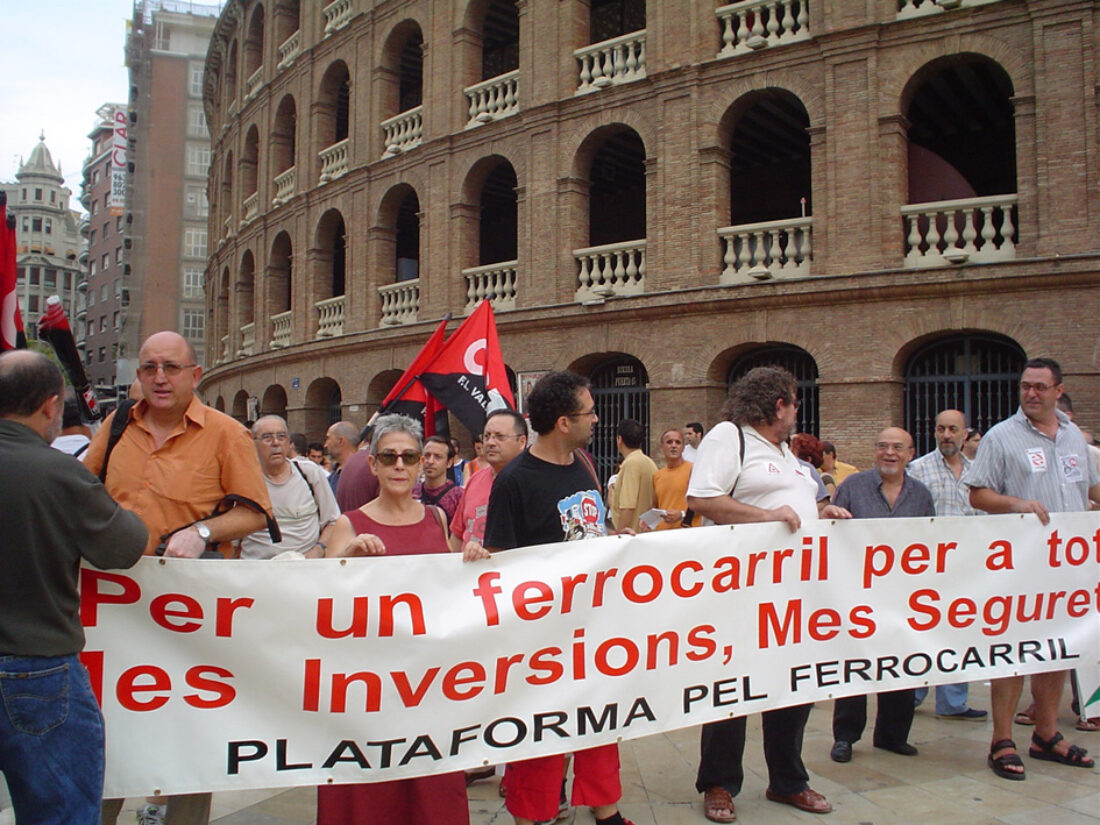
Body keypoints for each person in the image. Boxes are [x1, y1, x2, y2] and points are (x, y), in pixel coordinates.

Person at [84, 331, 273, 825]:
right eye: (149, 368)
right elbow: (81, 493)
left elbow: (256, 513)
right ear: (139, 377)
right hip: (120, 610)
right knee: (109, 731)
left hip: (192, 615)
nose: (160, 378)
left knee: (190, 733)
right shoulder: (117, 425)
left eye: (171, 367)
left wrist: (203, 530)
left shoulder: (227, 433)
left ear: (195, 375)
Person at [686, 366, 849, 822]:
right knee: (732, 684)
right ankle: (719, 781)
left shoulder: (785, 451)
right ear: (778, 405)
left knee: (793, 682)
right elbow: (702, 499)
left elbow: (795, 509)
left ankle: (788, 780)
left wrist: (823, 509)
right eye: (795, 402)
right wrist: (766, 516)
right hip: (741, 586)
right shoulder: (728, 437)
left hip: (794, 591)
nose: (797, 411)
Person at [0, 350, 147, 825]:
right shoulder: (57, 473)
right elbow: (124, 546)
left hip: (35, 669)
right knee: (58, 814)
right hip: (37, 671)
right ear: (49, 406)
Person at [481, 371, 634, 825]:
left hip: (594, 627)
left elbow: (590, 526)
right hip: (541, 637)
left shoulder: (584, 464)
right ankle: (533, 815)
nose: (597, 419)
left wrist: (614, 538)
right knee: (540, 734)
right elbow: (500, 559)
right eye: (589, 412)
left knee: (600, 725)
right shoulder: (514, 481)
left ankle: (606, 811)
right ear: (564, 422)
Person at [320, 414, 469, 825]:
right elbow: (320, 608)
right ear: (373, 464)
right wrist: (346, 559)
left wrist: (475, 562)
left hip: (429, 688)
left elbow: (453, 594)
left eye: (409, 456)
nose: (399, 465)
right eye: (389, 457)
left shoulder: (437, 519)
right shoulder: (348, 525)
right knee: (373, 803)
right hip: (369, 692)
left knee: (432, 800)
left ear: (423, 462)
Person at [964, 357, 1099, 780]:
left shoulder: (1076, 436)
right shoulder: (1003, 437)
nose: (1031, 394)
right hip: (1020, 565)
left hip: (1066, 568)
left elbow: (1090, 489)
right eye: (1025, 386)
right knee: (1013, 652)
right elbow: (978, 495)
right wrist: (1017, 504)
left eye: (1040, 387)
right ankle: (1002, 740)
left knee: (1057, 650)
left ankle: (1046, 734)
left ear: (1059, 390)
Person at [829, 428, 934, 764]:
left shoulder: (921, 494)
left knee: (901, 663)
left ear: (911, 454)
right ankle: (845, 737)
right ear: (875, 451)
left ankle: (892, 735)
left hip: (903, 594)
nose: (890, 453)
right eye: (883, 447)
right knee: (854, 663)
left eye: (897, 448)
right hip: (856, 593)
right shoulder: (851, 487)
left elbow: (932, 540)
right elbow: (830, 532)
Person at [907, 409, 988, 722]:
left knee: (959, 631)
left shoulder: (978, 472)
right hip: (927, 567)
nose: (946, 435)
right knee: (922, 630)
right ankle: (911, 694)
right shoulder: (917, 469)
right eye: (940, 429)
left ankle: (953, 702)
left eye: (953, 429)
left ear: (965, 433)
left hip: (966, 566)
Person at [241, 415, 339, 559]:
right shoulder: (243, 480)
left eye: (281, 437)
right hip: (258, 571)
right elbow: (233, 539)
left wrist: (319, 549)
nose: (275, 443)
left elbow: (333, 521)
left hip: (304, 568)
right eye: (267, 437)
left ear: (289, 443)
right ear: (253, 443)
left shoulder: (309, 474)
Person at [451, 409, 528, 559]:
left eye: (500, 437)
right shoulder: (474, 479)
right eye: (487, 436)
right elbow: (458, 534)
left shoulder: (532, 483)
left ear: (522, 442)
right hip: (470, 576)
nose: (491, 442)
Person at [609, 418, 657, 532]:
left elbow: (628, 506)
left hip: (632, 535)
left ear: (619, 439)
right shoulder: (649, 462)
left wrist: (619, 535)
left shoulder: (631, 464)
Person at [647, 427, 699, 530]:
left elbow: (704, 503)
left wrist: (681, 515)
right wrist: (648, 521)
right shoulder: (657, 476)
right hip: (662, 534)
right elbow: (656, 506)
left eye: (678, 442)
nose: (674, 446)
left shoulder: (693, 470)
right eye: (669, 442)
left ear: (683, 448)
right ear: (661, 448)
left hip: (686, 533)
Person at [413, 434, 463, 521]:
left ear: (449, 462)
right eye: (427, 455)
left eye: (437, 457)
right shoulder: (411, 492)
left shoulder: (459, 496)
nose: (430, 461)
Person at [324, 420, 361, 496]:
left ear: (340, 441)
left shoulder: (361, 473)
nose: (325, 445)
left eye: (328, 438)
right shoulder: (334, 473)